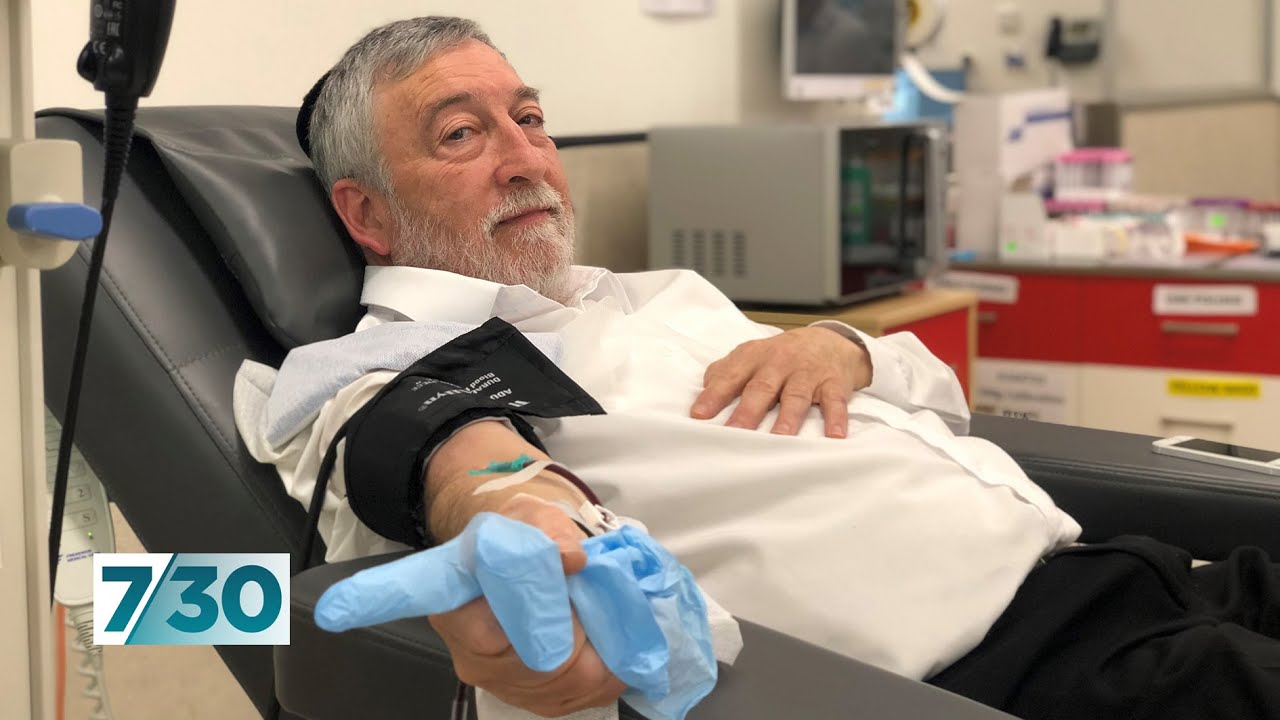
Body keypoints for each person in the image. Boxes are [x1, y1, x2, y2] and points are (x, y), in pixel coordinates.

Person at [233, 16, 1280, 720]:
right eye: (462, 134)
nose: (524, 158)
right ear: (366, 213)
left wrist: (843, 347)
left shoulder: (649, 295)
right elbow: (436, 448)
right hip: (1025, 671)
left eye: (531, 119)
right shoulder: (381, 363)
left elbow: (943, 395)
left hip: (1131, 572)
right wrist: (515, 510)